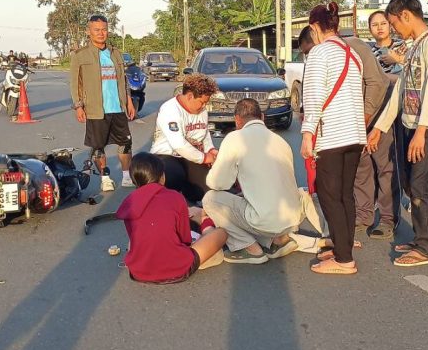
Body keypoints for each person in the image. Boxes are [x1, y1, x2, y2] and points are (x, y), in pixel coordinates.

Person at [367, 0, 428, 267]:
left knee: (419, 186)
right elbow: (400, 92)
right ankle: (422, 239)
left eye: (393, 23)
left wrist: (421, 132)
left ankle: (424, 247)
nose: (393, 30)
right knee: (409, 184)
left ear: (405, 15)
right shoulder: (414, 46)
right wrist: (379, 127)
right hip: (408, 124)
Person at [300, 1, 365, 275]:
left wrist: (307, 135)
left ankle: (344, 259)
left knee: (329, 197)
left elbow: (313, 97)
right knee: (345, 195)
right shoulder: (353, 53)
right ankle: (343, 247)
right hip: (355, 134)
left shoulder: (319, 53)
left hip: (332, 136)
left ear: (314, 27)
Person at [203, 98, 305, 264]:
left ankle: (251, 249)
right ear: (262, 117)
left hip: (266, 220)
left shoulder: (235, 138)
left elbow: (218, 183)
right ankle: (279, 241)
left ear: (237, 120)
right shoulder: (280, 141)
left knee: (210, 199)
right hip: (293, 219)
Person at [116, 153, 227, 284]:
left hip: (138, 272)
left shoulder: (129, 202)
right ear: (162, 176)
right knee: (221, 233)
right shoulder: (174, 196)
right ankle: (206, 225)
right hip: (177, 268)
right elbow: (185, 239)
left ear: (134, 180)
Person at [345, 26, 400, 240]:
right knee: (361, 167)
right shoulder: (323, 55)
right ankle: (364, 215)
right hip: (358, 118)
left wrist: (369, 124)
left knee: (385, 168)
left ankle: (388, 219)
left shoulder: (355, 46)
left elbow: (378, 83)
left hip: (378, 113)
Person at [69, 14, 136, 191]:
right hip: (95, 109)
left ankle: (126, 176)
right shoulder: (79, 55)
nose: (101, 33)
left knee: (126, 144)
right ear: (88, 31)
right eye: (96, 30)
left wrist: (129, 102)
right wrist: (78, 106)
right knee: (98, 147)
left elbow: (123, 80)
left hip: (118, 107)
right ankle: (105, 178)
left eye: (104, 29)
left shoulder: (116, 53)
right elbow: (75, 84)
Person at [151, 72, 219, 203]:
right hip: (167, 155)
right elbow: (179, 144)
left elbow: (204, 133)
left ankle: (190, 194)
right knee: (174, 177)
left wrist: (210, 150)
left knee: (209, 188)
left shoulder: (202, 110)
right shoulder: (170, 110)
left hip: (193, 156)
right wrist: (204, 158)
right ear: (189, 96)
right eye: (202, 102)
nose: (204, 106)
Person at [367, 9, 406, 73]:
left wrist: (398, 59)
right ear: (370, 30)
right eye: (375, 25)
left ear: (390, 26)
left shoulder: (402, 45)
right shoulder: (370, 54)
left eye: (383, 23)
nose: (379, 28)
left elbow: (415, 62)